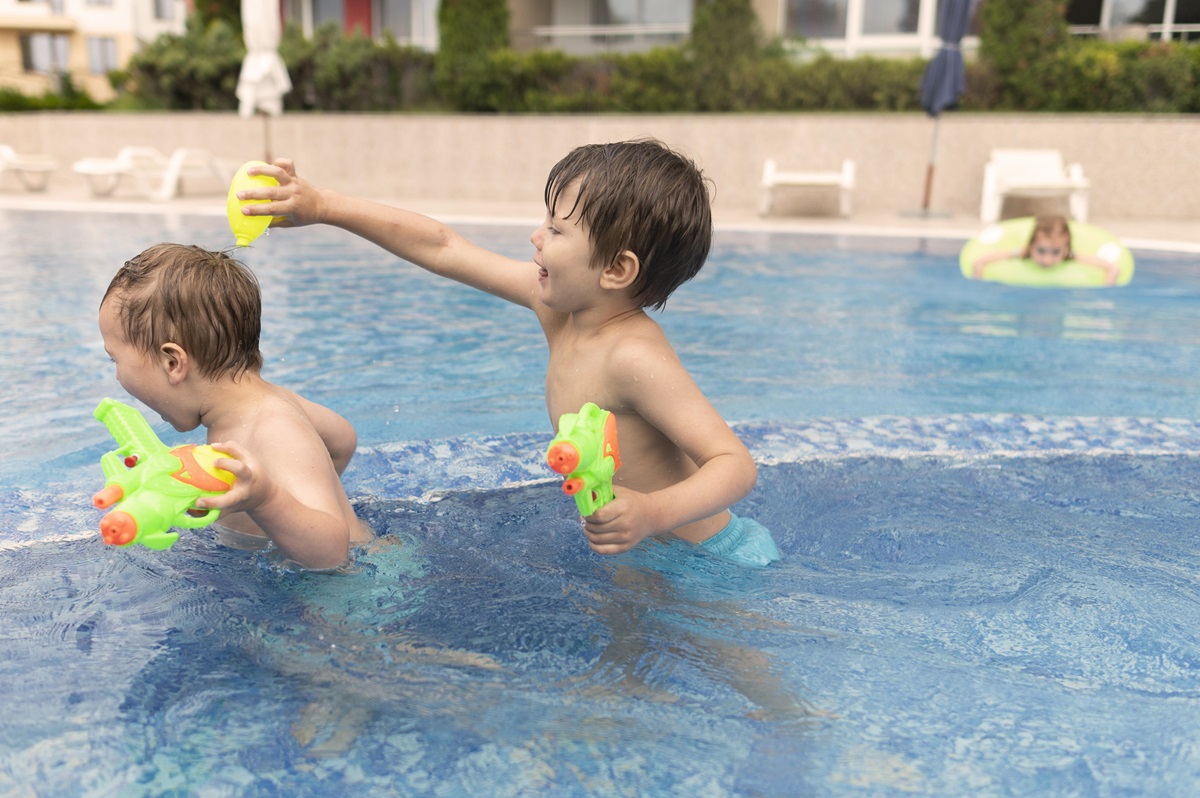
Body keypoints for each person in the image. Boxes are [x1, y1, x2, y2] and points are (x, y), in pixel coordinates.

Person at [236, 140, 780, 568]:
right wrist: (325, 206)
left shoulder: (633, 358)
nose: (535, 238)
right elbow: (444, 247)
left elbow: (734, 466)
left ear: (617, 270)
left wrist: (653, 512)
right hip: (635, 544)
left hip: (707, 558)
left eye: (557, 229)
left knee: (744, 676)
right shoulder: (559, 309)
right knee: (623, 666)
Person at [98, 243, 374, 569]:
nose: (116, 376)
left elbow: (331, 553)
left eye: (115, 359)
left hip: (345, 600)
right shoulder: (274, 400)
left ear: (173, 362)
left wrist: (267, 499)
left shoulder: (271, 429)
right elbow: (343, 439)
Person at [973, 214, 1121, 285]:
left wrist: (1107, 291)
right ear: (1031, 246)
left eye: (1055, 252)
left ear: (1065, 249)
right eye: (1041, 251)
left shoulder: (1069, 255)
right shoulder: (1024, 252)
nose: (1047, 259)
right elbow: (981, 261)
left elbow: (1112, 268)